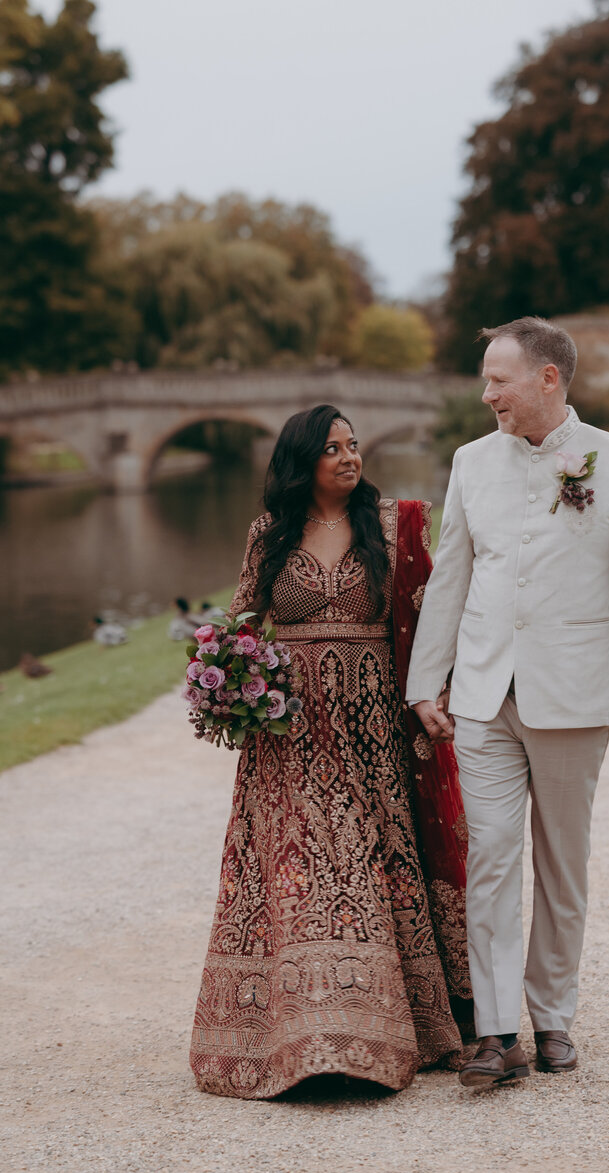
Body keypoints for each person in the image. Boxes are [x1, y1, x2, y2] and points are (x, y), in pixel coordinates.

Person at [407, 317, 609, 1089]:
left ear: (548, 379)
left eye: (499, 380)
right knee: (488, 857)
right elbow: (451, 573)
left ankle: (553, 1017)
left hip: (577, 697)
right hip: (484, 698)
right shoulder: (469, 462)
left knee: (563, 864)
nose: (487, 395)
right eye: (486, 380)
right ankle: (494, 1033)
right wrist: (427, 681)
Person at [190, 404, 471, 1100]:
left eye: (354, 446)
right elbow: (241, 621)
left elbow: (432, 614)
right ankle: (310, 1043)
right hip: (289, 738)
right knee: (306, 870)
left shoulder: (389, 528)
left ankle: (382, 1034)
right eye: (333, 448)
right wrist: (225, 674)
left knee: (367, 864)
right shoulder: (270, 534)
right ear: (302, 461)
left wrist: (436, 694)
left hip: (373, 735)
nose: (351, 457)